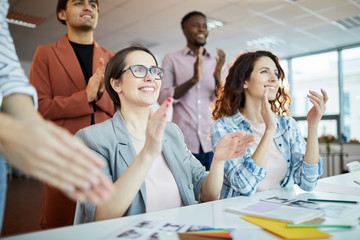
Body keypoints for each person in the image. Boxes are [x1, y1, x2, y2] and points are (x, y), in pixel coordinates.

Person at [74, 45, 255, 223]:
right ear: (116, 84)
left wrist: (218, 160)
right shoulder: (91, 139)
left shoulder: (172, 132)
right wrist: (148, 154)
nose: (150, 77)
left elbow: (207, 193)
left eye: (154, 71)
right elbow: (100, 213)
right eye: (139, 70)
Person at [0, 0, 113, 233]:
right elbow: (40, 108)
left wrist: (99, 95)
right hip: (64, 153)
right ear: (62, 13)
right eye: (78, 3)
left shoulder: (110, 57)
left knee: (107, 225)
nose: (87, 7)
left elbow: (119, 108)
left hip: (106, 153)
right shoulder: (46, 53)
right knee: (60, 226)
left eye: (93, 4)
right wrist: (85, 97)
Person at [211, 50, 328, 198]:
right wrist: (269, 129)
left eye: (276, 73)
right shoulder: (224, 127)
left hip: (280, 211)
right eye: (264, 72)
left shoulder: (287, 125)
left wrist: (313, 126)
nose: (274, 78)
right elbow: (244, 186)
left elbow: (308, 183)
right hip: (239, 215)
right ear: (244, 81)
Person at [158, 11, 227, 171]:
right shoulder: (171, 59)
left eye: (204, 26)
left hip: (212, 141)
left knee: (213, 193)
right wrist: (193, 80)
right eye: (196, 25)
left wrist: (217, 78)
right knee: (185, 192)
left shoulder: (216, 62)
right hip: (183, 142)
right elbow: (162, 99)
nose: (201, 29)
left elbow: (223, 100)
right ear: (184, 30)